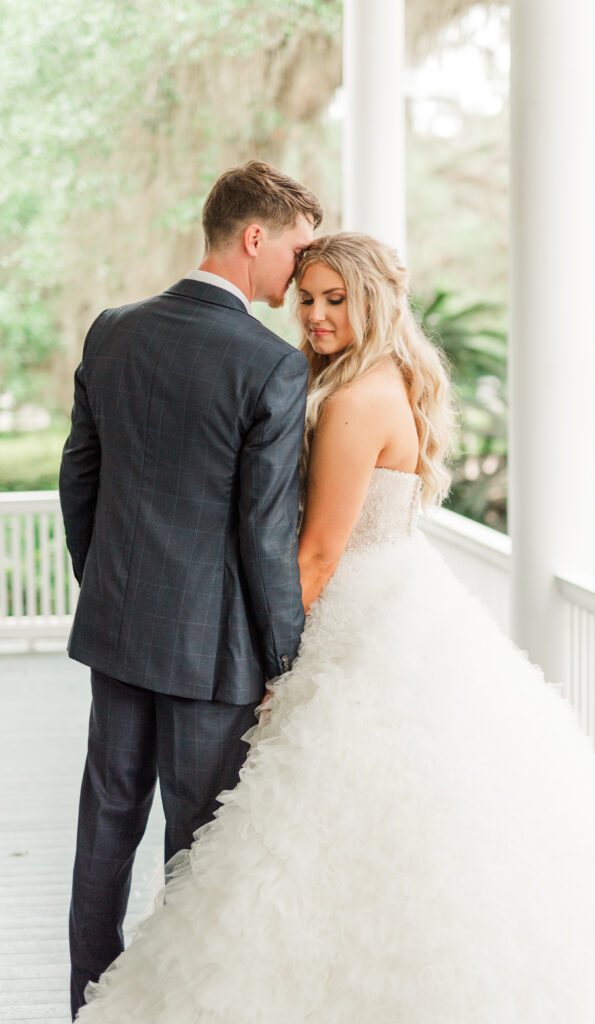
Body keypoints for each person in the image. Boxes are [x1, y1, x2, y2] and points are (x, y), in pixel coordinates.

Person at [75, 233, 595, 1022]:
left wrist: (277, 663)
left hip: (354, 611)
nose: (316, 315)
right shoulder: (362, 378)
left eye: (336, 299)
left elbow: (319, 550)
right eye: (307, 298)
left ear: (376, 301)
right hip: (394, 592)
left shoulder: (356, 399)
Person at [59, 160, 322, 1018]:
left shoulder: (112, 331)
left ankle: (89, 1005)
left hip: (118, 629)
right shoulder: (272, 366)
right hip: (213, 653)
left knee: (106, 827)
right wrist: (287, 660)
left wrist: (107, 585)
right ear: (255, 238)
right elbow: (264, 535)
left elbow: (79, 479)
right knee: (197, 847)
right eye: (296, 251)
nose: (299, 273)